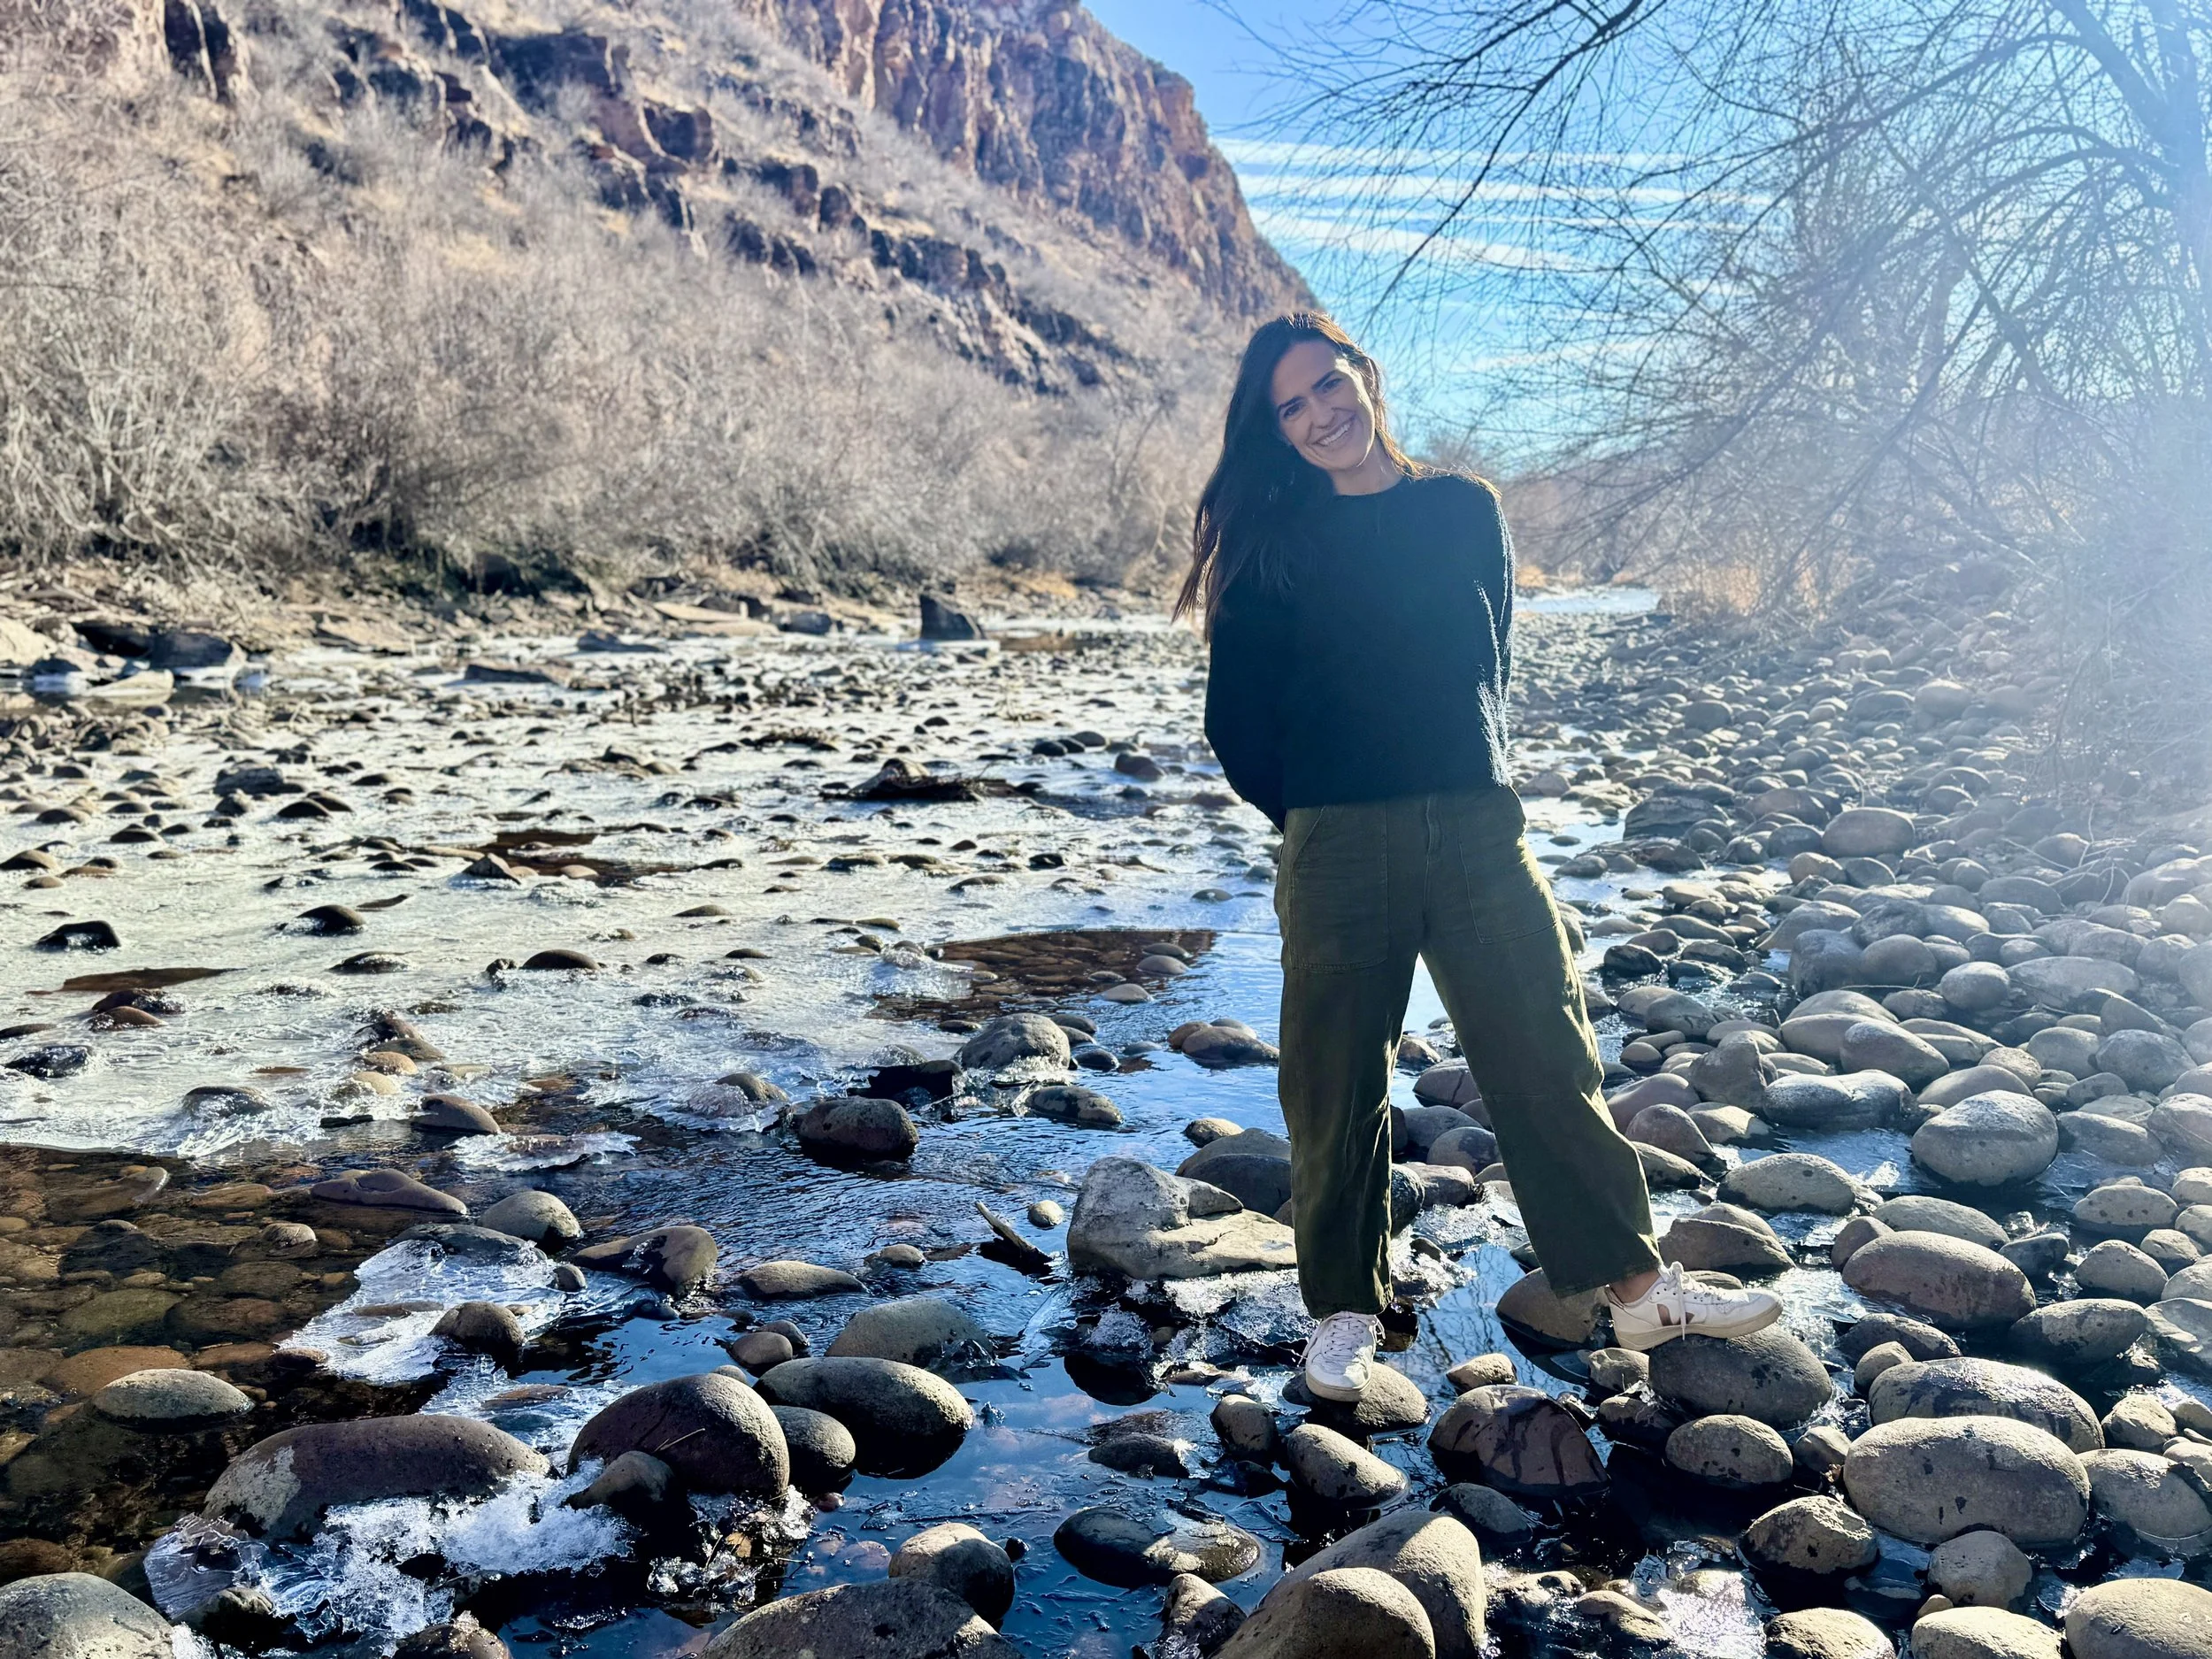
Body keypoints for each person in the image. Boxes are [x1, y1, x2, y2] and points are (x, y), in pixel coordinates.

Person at [1179, 312, 1783, 1402]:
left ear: (1366, 376)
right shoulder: (1274, 545)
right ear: (1275, 430)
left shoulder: (1464, 510)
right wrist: (1316, 813)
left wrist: (1464, 773)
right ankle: (1344, 1311)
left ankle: (1639, 1293)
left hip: (1475, 824)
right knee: (1334, 1080)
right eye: (1292, 407)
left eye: (1330, 384)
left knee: (1545, 1047)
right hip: (1336, 839)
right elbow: (1237, 722)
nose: (1320, 414)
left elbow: (1487, 662)